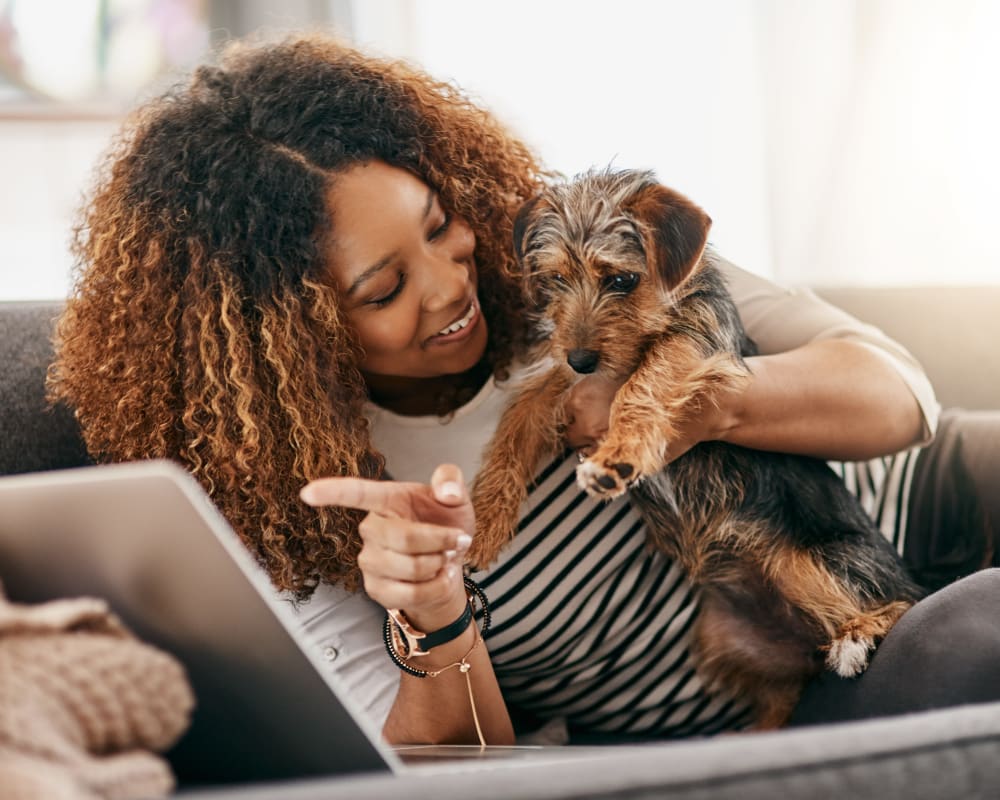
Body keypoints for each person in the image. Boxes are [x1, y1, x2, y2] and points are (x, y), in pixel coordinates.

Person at [48, 32, 999, 748]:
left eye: (438, 224)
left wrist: (691, 406)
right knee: (975, 632)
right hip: (804, 673)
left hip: (921, 492)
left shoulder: (569, 255)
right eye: (383, 289)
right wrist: (434, 613)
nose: (453, 284)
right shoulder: (309, 508)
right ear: (284, 336)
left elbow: (899, 393)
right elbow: (452, 767)